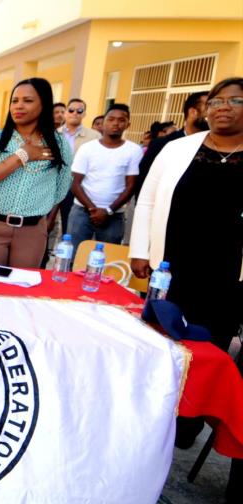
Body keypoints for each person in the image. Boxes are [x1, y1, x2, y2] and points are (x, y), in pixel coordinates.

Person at [129, 76, 243, 504]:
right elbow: (149, 201)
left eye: (235, 101)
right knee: (164, 342)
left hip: (229, 276)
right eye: (216, 101)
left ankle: (190, 419)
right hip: (172, 269)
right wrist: (140, 250)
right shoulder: (179, 149)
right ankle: (158, 415)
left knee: (210, 347)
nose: (222, 107)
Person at [0, 77, 73, 268]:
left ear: (44, 104)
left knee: (22, 284)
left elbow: (60, 189)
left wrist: (37, 211)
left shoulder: (59, 144)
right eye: (14, 101)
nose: (19, 106)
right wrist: (22, 155)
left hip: (32, 231)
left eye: (28, 100)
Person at [67, 103, 141, 253]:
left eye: (121, 120)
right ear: (103, 122)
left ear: (128, 124)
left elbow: (131, 186)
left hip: (114, 214)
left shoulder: (134, 150)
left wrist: (108, 211)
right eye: (111, 119)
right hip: (82, 212)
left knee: (106, 260)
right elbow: (75, 182)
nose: (116, 123)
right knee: (73, 256)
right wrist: (92, 209)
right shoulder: (87, 148)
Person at [135, 92, 209, 196]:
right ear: (193, 112)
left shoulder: (219, 147)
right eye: (209, 106)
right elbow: (143, 183)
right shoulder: (162, 144)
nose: (216, 112)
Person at [55, 98, 101, 238]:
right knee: (46, 223)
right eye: (71, 110)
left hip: (78, 187)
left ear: (84, 114)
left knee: (71, 225)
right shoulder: (54, 134)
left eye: (79, 111)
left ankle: (67, 249)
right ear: (65, 112)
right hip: (53, 184)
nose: (75, 113)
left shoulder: (95, 136)